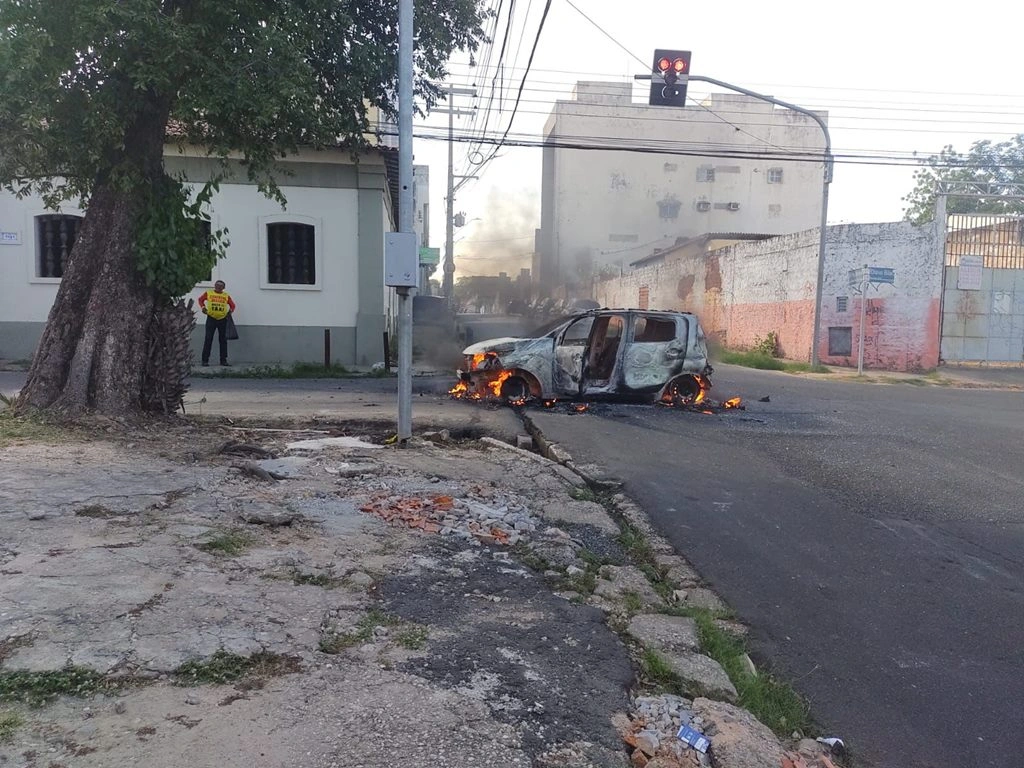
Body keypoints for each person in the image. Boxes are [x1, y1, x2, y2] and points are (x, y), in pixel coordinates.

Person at [198, 280, 236, 366]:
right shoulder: (209, 293)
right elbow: (200, 300)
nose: (218, 287)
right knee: (208, 339)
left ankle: (223, 360)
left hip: (223, 319)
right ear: (214, 286)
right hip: (211, 318)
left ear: (223, 288)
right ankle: (205, 360)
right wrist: (203, 307)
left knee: (223, 340)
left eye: (221, 286)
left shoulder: (226, 296)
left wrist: (230, 311)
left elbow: (233, 305)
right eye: (217, 285)